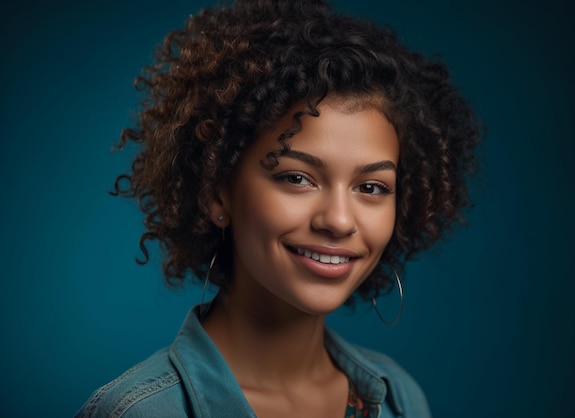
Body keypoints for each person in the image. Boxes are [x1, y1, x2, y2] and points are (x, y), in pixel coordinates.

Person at [76, 0, 481, 416]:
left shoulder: (400, 400)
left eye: (372, 186)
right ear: (218, 193)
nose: (339, 220)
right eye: (296, 178)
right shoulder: (138, 412)